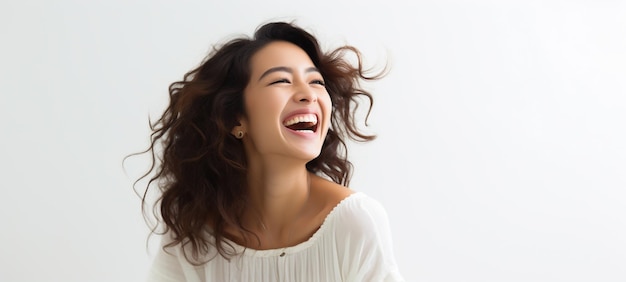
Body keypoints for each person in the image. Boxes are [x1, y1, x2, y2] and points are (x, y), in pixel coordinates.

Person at [137, 20, 404, 281]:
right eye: (281, 81)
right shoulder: (195, 230)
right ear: (235, 119)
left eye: (316, 82)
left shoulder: (355, 221)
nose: (308, 95)